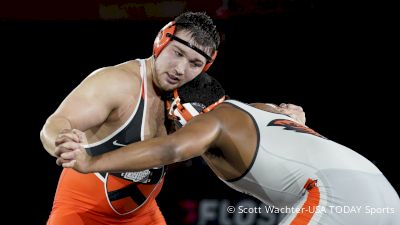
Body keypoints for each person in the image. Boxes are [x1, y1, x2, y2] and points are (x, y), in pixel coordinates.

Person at [58, 73, 400, 225]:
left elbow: (169, 150)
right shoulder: (250, 110)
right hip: (384, 193)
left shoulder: (213, 121)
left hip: (339, 195)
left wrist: (91, 161)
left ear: (185, 111)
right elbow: (283, 115)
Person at [40, 11, 220, 225]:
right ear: (161, 41)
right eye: (178, 53)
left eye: (195, 64)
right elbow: (54, 125)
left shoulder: (192, 99)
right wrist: (62, 142)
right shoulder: (118, 83)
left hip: (142, 216)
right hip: (82, 213)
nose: (180, 70)